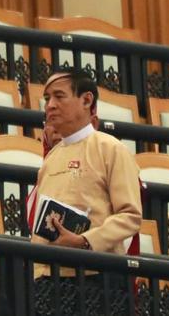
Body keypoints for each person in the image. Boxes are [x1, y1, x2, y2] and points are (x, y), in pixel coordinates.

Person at [31, 69, 142, 314]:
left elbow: (130, 216)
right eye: (47, 98)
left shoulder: (110, 148)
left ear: (86, 100)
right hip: (48, 279)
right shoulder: (52, 157)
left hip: (97, 277)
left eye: (59, 96)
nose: (50, 105)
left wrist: (84, 241)